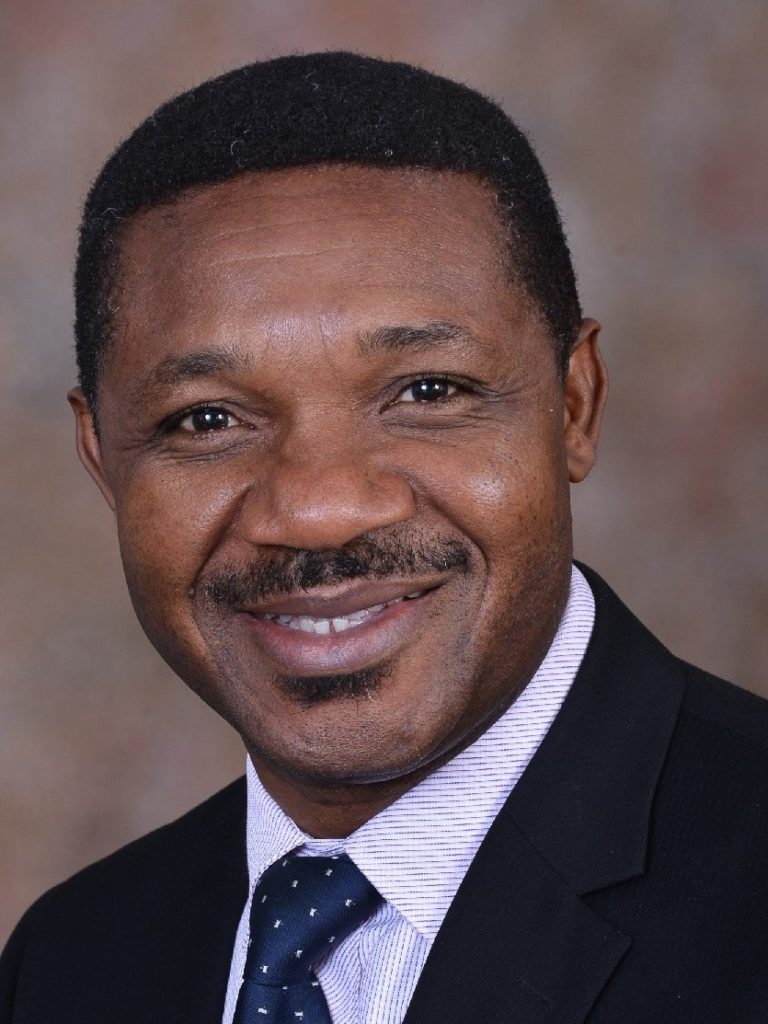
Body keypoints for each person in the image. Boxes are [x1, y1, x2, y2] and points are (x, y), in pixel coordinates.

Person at [1, 51, 766, 1024]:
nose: (318, 508)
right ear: (103, 455)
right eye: (207, 419)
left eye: (428, 393)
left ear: (577, 403)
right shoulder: (73, 961)